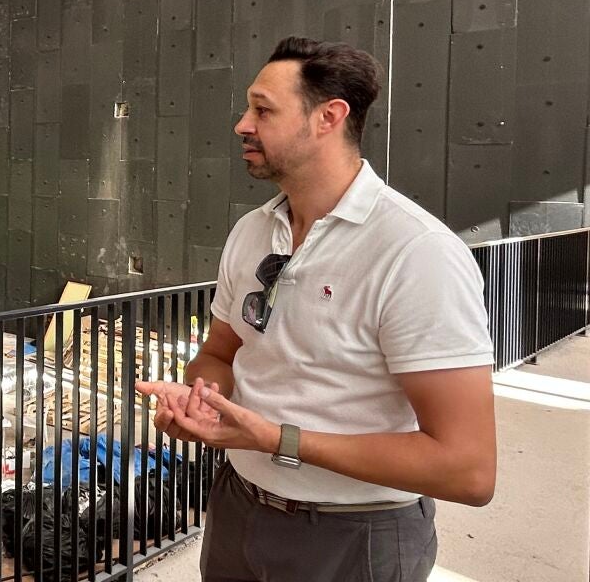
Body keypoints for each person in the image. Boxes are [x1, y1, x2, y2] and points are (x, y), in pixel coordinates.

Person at [137, 37, 496, 581]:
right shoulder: (252, 230)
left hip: (355, 537)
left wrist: (276, 439)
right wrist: (203, 401)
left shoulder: (416, 252)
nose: (241, 125)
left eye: (263, 110)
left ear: (329, 117)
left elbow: (468, 470)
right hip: (237, 507)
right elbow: (219, 353)